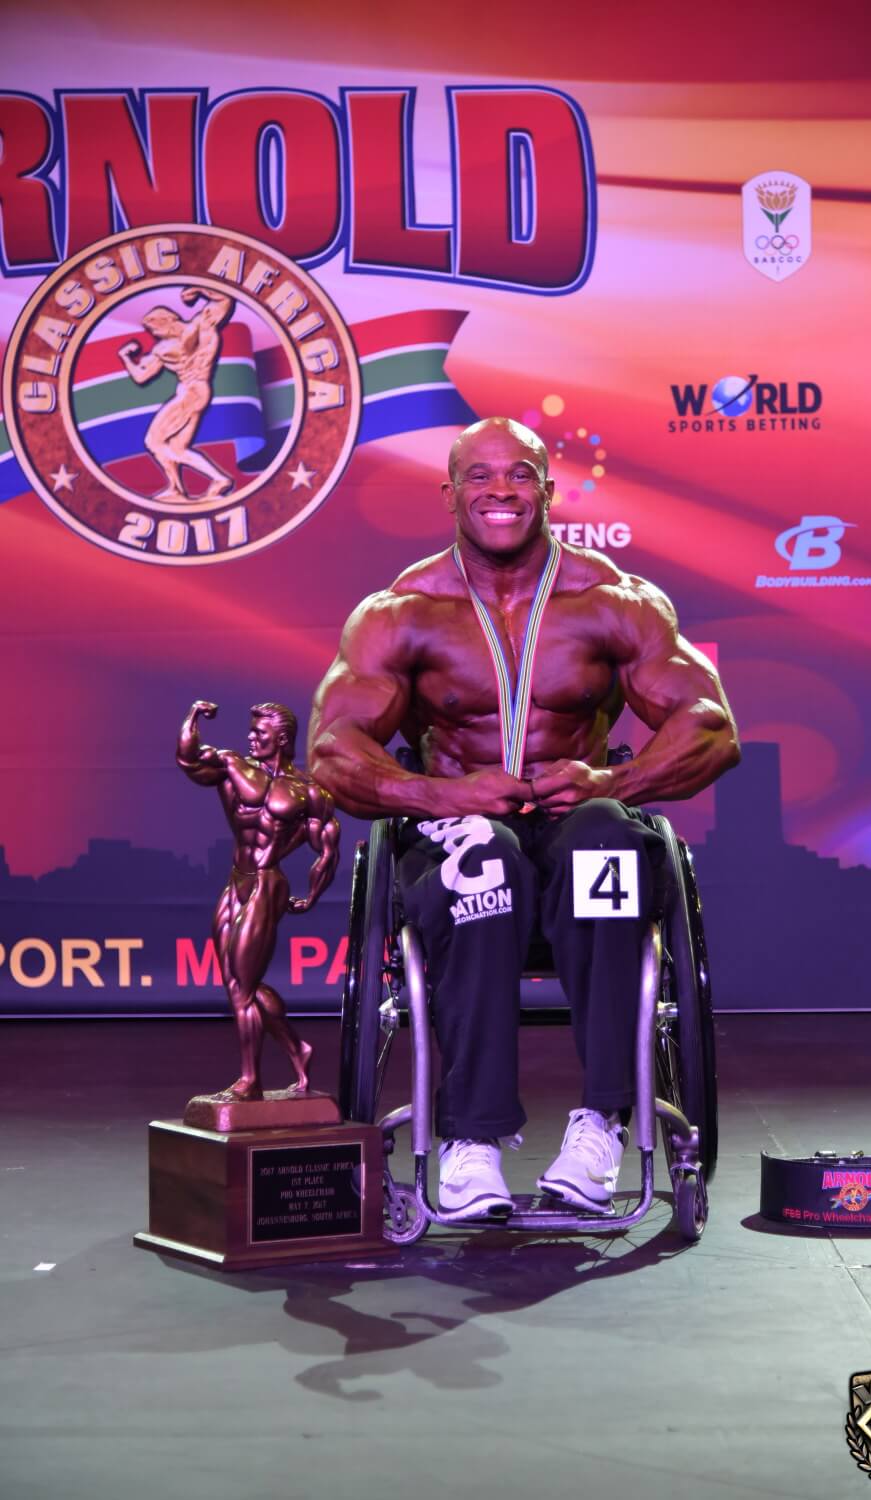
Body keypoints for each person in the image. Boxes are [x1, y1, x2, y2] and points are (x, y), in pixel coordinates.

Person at [308, 417, 739, 1220]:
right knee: (487, 857)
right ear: (449, 494)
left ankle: (603, 1122)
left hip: (575, 822)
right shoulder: (401, 611)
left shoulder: (613, 601)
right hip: (461, 828)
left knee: (609, 836)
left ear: (547, 490)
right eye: (479, 475)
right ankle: (470, 1139)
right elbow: (333, 751)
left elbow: (710, 728)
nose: (499, 490)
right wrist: (436, 795)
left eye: (519, 474)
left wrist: (613, 778)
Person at [178, 699, 340, 1100]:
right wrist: (194, 716)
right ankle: (297, 1049)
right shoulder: (233, 765)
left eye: (260, 732)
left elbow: (327, 850)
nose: (251, 737)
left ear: (281, 739)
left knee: (243, 987)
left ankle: (250, 1081)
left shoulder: (308, 792)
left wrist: (312, 896)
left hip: (268, 884)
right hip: (237, 880)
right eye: (250, 730)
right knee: (238, 983)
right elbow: (188, 760)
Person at [118, 287, 234, 500]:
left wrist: (199, 288)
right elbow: (141, 377)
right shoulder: (201, 326)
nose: (154, 335)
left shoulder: (170, 344)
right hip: (200, 392)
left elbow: (225, 299)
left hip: (189, 393)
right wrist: (125, 358)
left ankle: (217, 477)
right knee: (177, 448)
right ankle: (177, 488)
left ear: (166, 321)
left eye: (154, 329)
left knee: (153, 441)